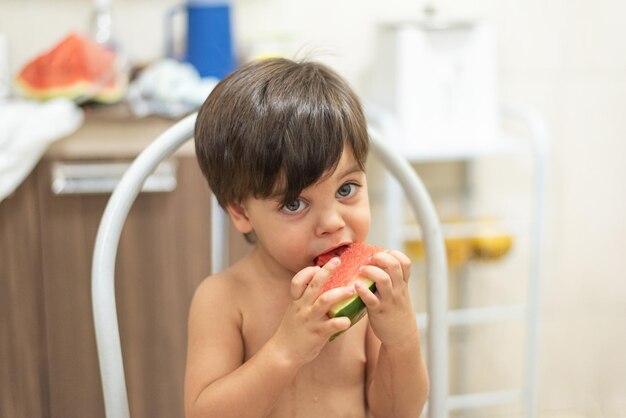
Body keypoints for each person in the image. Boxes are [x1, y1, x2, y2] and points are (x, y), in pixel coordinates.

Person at [185, 57, 429, 418]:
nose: (331, 222)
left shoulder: (367, 291)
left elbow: (396, 412)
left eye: (346, 189)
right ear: (241, 212)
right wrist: (286, 350)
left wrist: (401, 340)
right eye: (295, 203)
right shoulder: (223, 298)